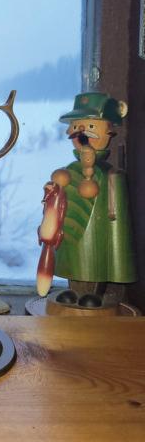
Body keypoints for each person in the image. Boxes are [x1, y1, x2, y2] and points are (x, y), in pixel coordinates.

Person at [36, 92, 136, 305]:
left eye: (91, 126)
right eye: (76, 126)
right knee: (73, 259)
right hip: (70, 228)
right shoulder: (70, 170)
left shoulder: (108, 174)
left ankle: (94, 292)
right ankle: (74, 289)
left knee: (94, 260)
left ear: (108, 132)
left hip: (98, 231)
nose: (81, 132)